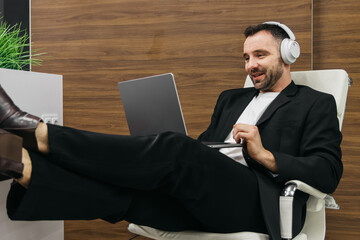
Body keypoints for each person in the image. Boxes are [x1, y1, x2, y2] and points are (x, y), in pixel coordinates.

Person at [0, 22, 342, 240]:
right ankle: (18, 164)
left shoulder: (315, 103)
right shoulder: (230, 98)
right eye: (246, 56)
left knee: (176, 151)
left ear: (287, 55)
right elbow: (204, 154)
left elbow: (327, 171)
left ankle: (38, 132)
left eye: (260, 55)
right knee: (126, 197)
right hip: (209, 194)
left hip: (258, 201)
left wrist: (265, 156)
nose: (250, 64)